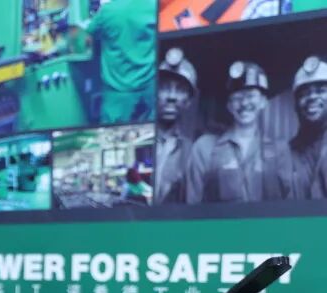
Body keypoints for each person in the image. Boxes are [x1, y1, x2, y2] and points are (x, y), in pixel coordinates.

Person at [187, 61, 293, 204]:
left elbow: (290, 205)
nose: (244, 103)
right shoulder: (204, 148)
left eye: (250, 95)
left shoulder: (279, 150)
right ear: (229, 105)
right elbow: (192, 206)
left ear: (263, 102)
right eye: (237, 97)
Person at [86, 0, 157, 124]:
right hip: (150, 85)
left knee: (112, 133)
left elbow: (87, 38)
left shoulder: (107, 11)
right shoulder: (152, 5)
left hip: (118, 91)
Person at [155, 48, 197, 204]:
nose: (171, 97)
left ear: (188, 101)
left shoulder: (191, 152)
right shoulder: (136, 137)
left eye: (180, 90)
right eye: (164, 87)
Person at [289, 56, 327, 199]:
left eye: (321, 90)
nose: (312, 97)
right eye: (304, 94)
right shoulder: (287, 153)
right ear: (295, 105)